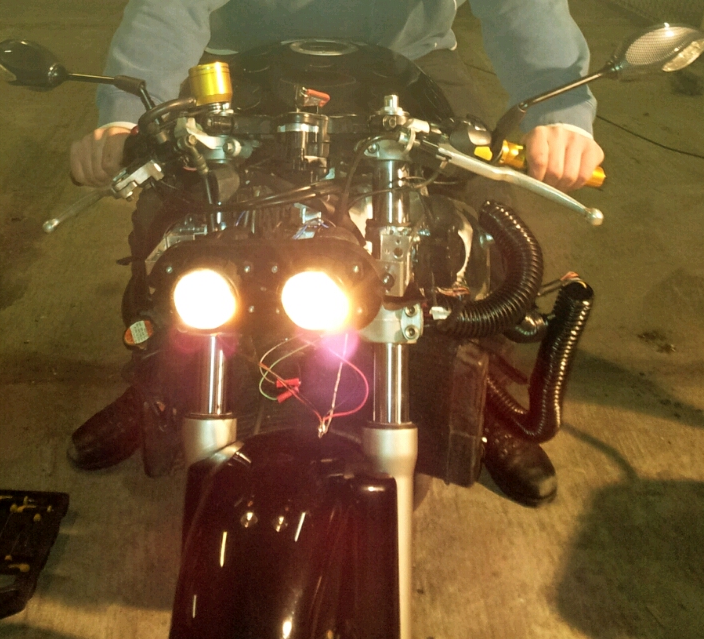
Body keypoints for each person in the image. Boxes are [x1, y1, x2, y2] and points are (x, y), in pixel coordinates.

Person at [67, 0, 605, 507]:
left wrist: (559, 110)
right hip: (243, 65)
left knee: (485, 219)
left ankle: (477, 393)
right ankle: (160, 380)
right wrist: (125, 118)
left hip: (409, 63)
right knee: (168, 211)